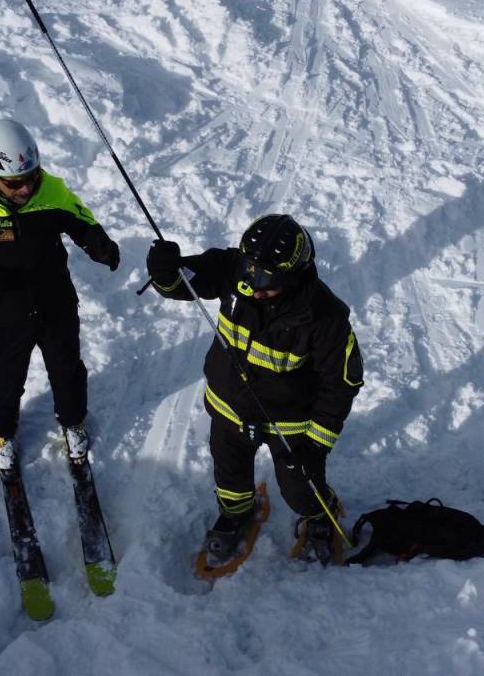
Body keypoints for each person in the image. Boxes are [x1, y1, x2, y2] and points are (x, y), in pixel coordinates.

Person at [145, 215, 364, 564]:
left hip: (289, 424)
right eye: (250, 271)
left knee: (300, 489)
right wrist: (165, 270)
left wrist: (317, 443)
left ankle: (320, 514)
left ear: (294, 277)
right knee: (229, 475)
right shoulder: (233, 269)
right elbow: (183, 282)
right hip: (230, 409)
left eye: (267, 279)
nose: (253, 284)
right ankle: (236, 513)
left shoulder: (325, 318)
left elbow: (342, 383)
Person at [0, 118, 120, 469]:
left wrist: (100, 245)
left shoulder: (49, 187)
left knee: (67, 372)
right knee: (6, 379)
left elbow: (81, 221)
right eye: (15, 182)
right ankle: (2, 433)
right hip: (6, 311)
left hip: (56, 302)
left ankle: (73, 422)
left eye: (31, 177)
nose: (26, 189)